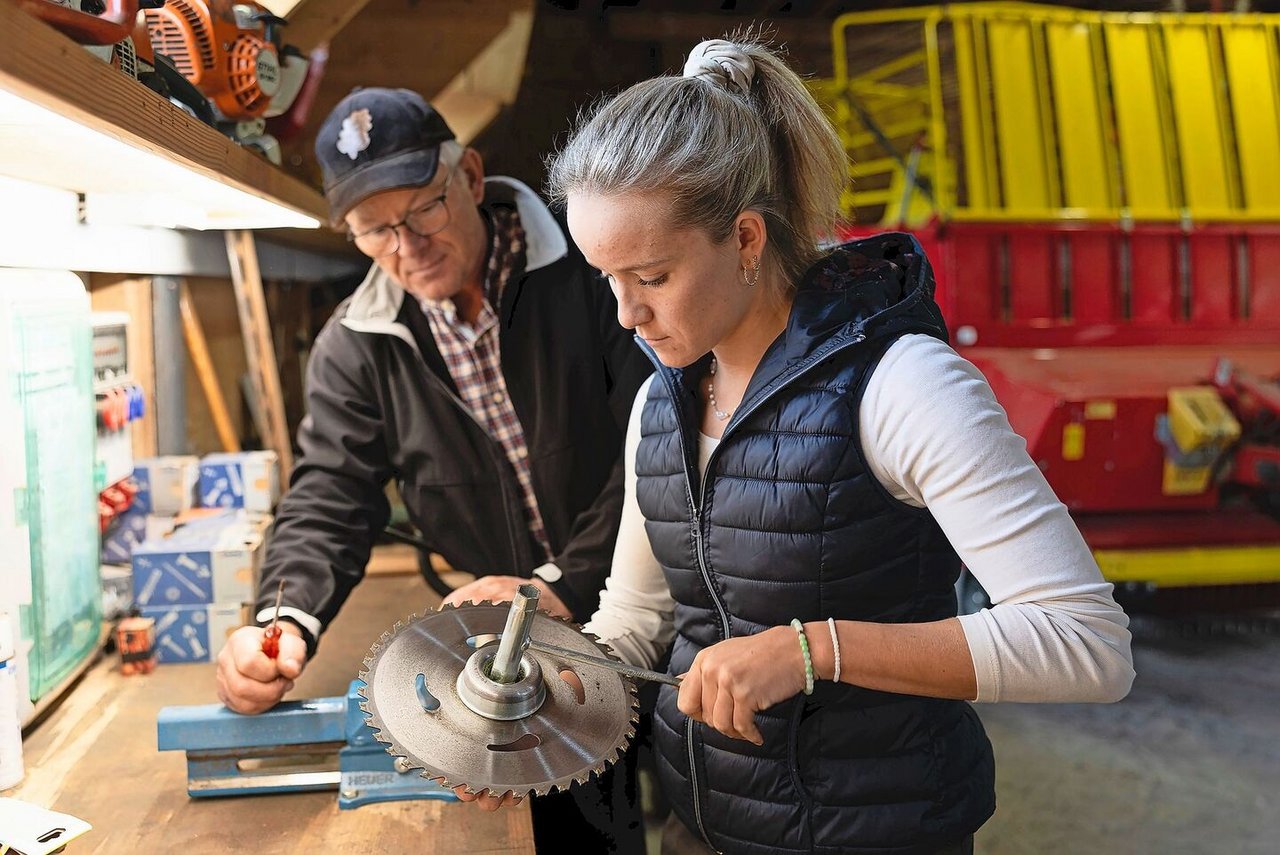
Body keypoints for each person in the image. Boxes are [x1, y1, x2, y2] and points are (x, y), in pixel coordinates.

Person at [539, 37, 1136, 855]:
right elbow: (639, 622)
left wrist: (813, 647)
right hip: (701, 826)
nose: (625, 315)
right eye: (606, 279)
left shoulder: (903, 386)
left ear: (746, 239)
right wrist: (535, 697)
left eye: (650, 276)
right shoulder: (660, 401)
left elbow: (1085, 644)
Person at [214, 87, 652, 853]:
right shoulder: (357, 343)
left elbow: (652, 451)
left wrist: (563, 581)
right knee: (538, 825)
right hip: (501, 647)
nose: (406, 245)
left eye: (422, 210)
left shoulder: (591, 272)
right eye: (374, 230)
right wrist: (285, 617)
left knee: (653, 808)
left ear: (472, 178)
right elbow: (329, 494)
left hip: (639, 604)